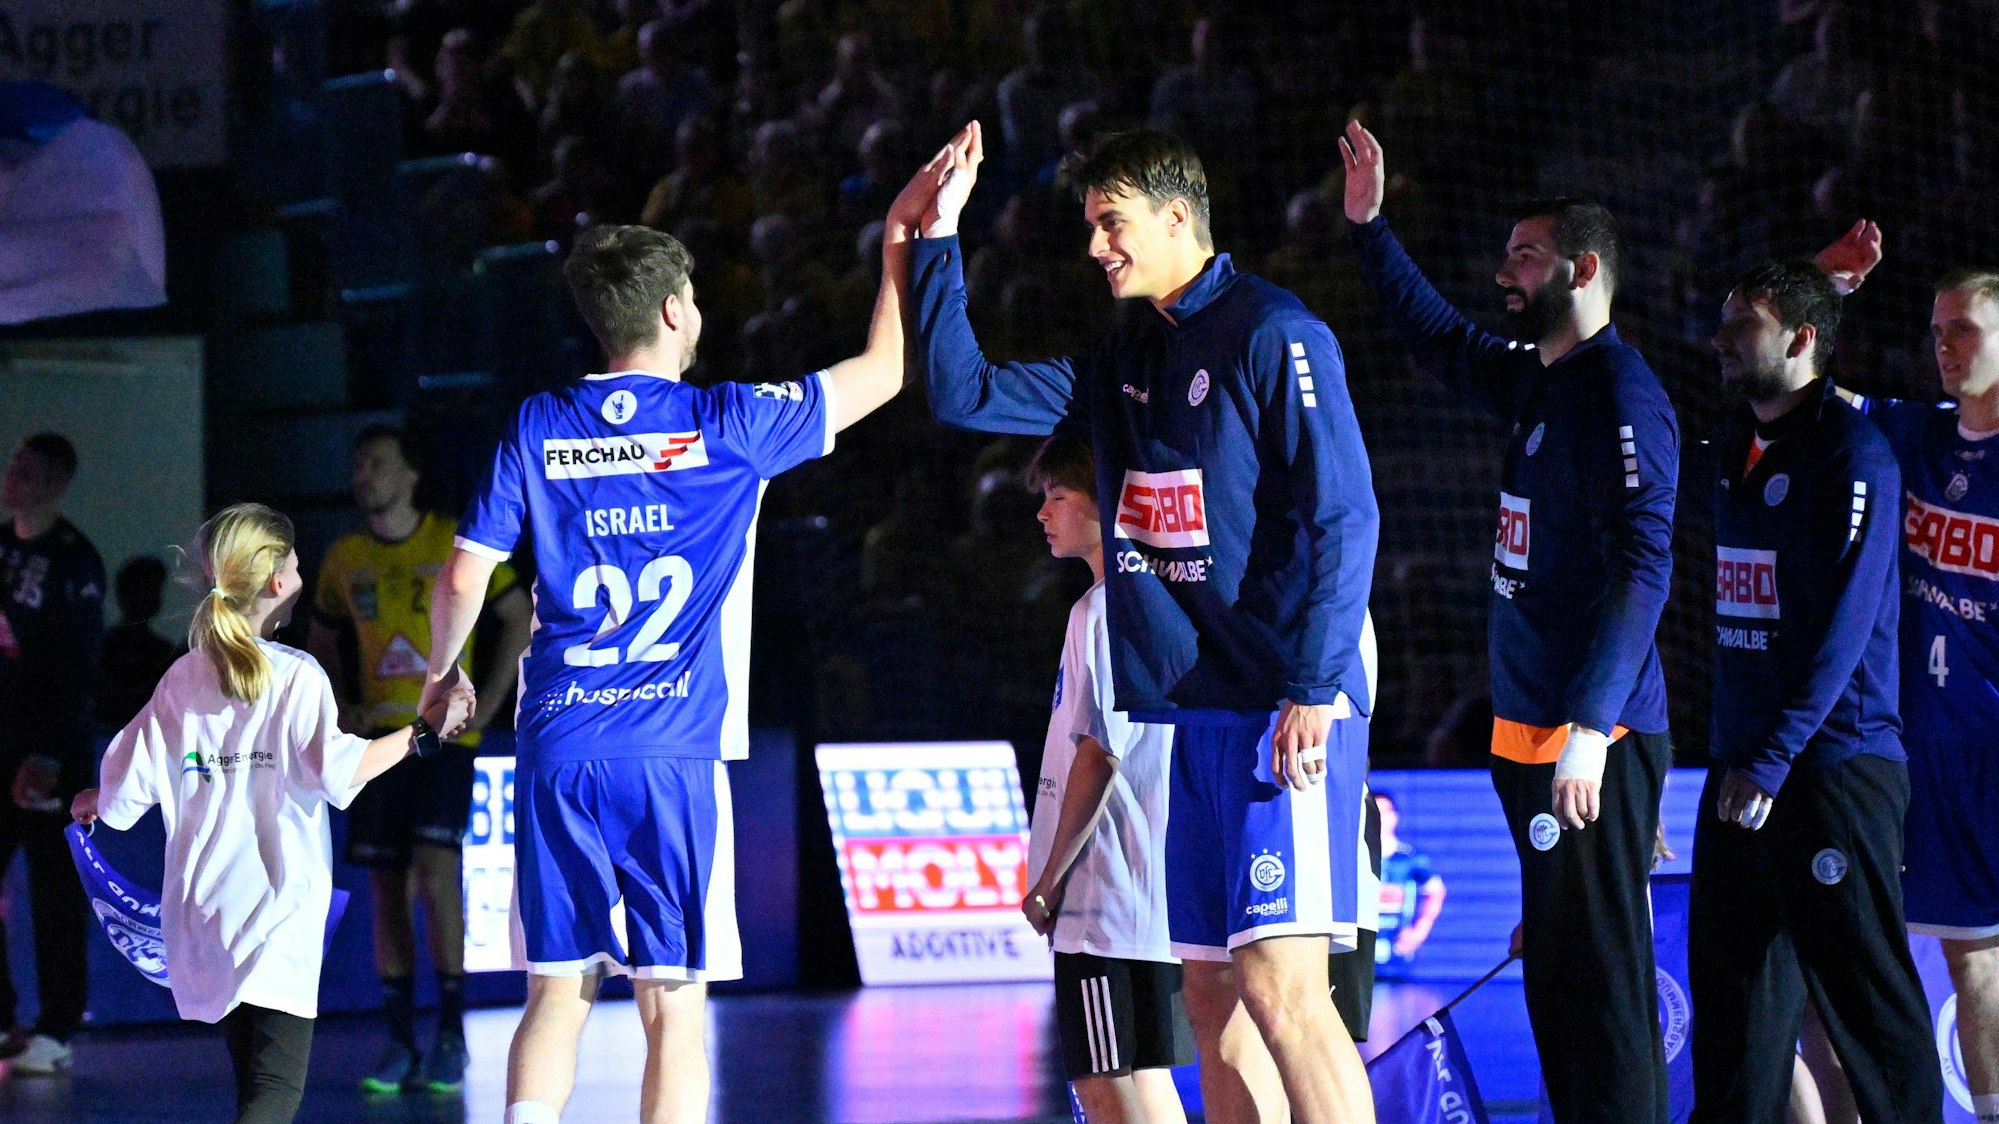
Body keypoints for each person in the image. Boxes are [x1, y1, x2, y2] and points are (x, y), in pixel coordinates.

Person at [414, 130, 952, 1124]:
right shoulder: (729, 422)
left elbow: (462, 570)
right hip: (672, 751)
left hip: (560, 740)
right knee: (674, 1004)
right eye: (695, 295)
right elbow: (886, 368)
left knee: (555, 990)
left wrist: (445, 673)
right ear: (672, 309)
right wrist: (899, 241)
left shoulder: (538, 423)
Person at [909, 123, 1381, 1124]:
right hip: (1192, 715)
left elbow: (1343, 514)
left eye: (1110, 222)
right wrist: (936, 238)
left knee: (1285, 990)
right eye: (1088, 226)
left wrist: (1311, 683)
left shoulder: (1275, 331)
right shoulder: (1124, 353)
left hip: (1276, 710)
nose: (1095, 247)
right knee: (1213, 996)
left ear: (1178, 218)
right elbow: (963, 391)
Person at [1341, 120, 1678, 1122]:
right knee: (1556, 979)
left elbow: (1642, 566)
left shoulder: (1619, 392)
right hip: (1527, 732)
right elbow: (1437, 336)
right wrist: (1370, 229)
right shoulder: (1542, 376)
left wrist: (1588, 731)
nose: (1502, 273)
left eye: (1522, 256)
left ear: (1581, 268)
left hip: (1589, 736)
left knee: (1607, 986)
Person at [71, 503, 474, 1124]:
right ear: (280, 581)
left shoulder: (181, 679)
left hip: (204, 916)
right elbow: (342, 773)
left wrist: (95, 799)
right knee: (273, 1098)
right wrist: (427, 732)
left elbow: (122, 801)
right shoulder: (297, 676)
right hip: (276, 915)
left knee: (255, 1091)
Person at [1690, 260, 1940, 1123]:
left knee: (1871, 1012)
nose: (1720, 338)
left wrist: (1768, 760)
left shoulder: (1852, 453)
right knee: (1731, 1017)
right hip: (1740, 770)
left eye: (1741, 323)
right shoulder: (1731, 444)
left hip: (1833, 771)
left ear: (1800, 341)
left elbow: (1841, 632)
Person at [1816, 225, 1999, 1124]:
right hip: (1932, 748)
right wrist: (1825, 290)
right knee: (1971, 958)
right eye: (1936, 329)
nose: (1944, 345)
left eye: (1963, 328)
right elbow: (1804, 389)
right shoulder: (1915, 437)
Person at [305, 424, 532, 1095]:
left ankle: (453, 1034)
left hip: (440, 740)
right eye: (357, 465)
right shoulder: (344, 557)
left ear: (410, 475)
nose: (362, 476)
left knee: (437, 874)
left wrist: (487, 705)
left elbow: (518, 616)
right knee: (386, 887)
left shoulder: (452, 541)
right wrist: (338, 703)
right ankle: (400, 1039)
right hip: (377, 743)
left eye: (376, 463)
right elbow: (321, 634)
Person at [1019, 434, 1192, 1124]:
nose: (1043, 513)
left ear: (1106, 505)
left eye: (1057, 496)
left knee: (1103, 1082)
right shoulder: (1156, 601)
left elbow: (1098, 752)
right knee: (1144, 1077)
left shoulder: (1101, 610)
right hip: (1150, 893)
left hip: (1105, 901)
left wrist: (1049, 879)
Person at [0, 432, 103, 1073]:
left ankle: (58, 1027)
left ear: (56, 483)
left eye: (31, 471)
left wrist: (50, 753)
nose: (15, 477)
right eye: (13, 465)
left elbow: (79, 666)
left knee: (53, 887)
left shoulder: (74, 561)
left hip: (52, 749)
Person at [95, 555, 178, 733]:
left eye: (155, 589)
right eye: (145, 589)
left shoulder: (163, 651)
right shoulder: (105, 646)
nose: (153, 597)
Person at [1371, 790, 1446, 978]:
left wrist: (1420, 930)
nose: (1380, 818)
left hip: (1397, 955)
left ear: (1394, 817)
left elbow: (1436, 891)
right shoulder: (1354, 858)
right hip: (1361, 956)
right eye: (1374, 812)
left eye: (1385, 812)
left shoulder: (1410, 858)